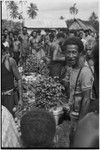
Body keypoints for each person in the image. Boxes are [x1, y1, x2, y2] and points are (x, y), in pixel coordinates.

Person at [72, 41, 99, 148]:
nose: (89, 52)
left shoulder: (91, 125)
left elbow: (86, 99)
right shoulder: (79, 67)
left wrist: (81, 123)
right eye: (87, 49)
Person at [2, 44, 22, 115]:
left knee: (11, 119)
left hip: (9, 97)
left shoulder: (10, 61)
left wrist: (20, 99)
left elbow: (19, 79)